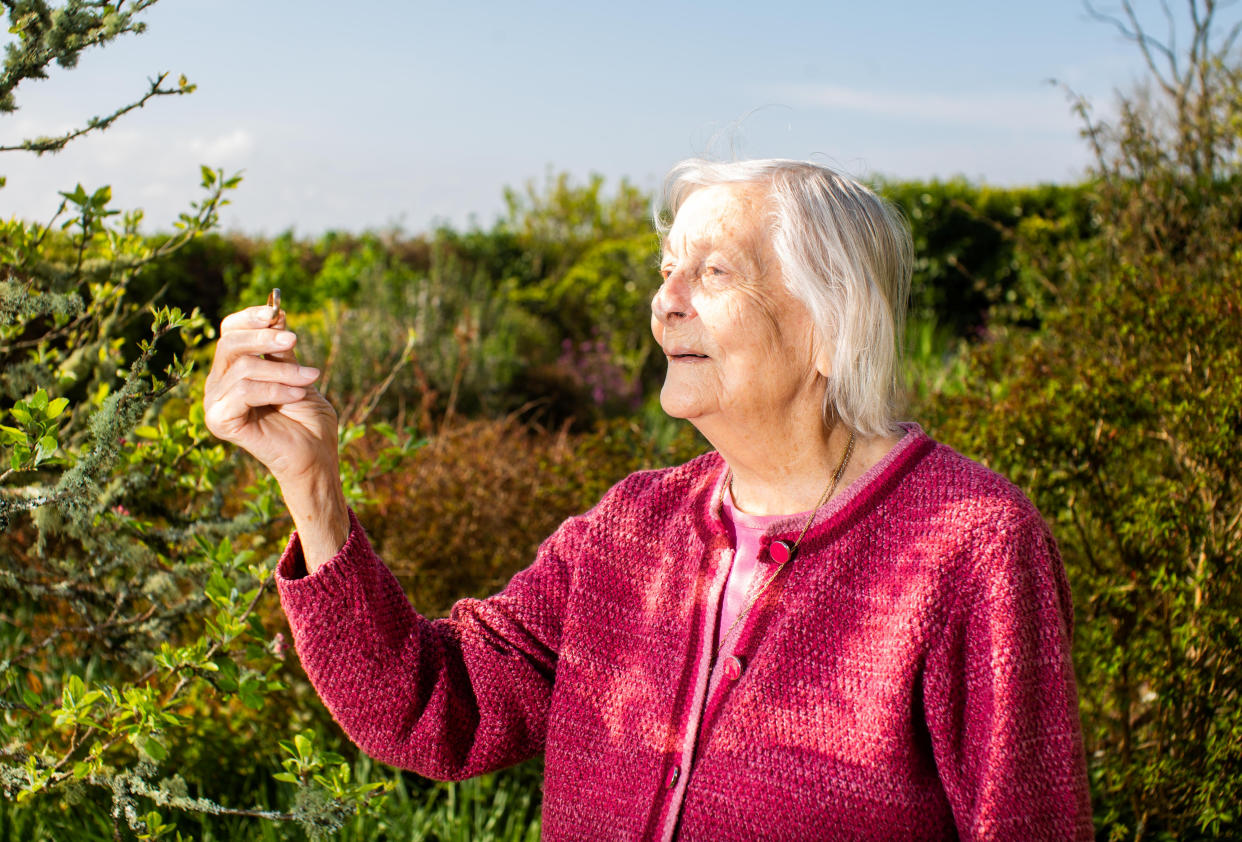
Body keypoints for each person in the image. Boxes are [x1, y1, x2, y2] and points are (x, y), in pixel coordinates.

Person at [203, 158, 1093, 840]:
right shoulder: (633, 528)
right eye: (667, 271)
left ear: (834, 323)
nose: (663, 304)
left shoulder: (969, 543)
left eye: (712, 274)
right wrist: (311, 485)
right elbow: (437, 709)